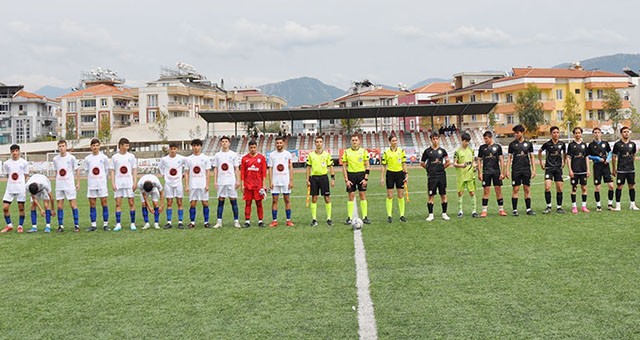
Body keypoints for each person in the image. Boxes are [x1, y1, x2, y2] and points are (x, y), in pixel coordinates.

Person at [211, 136, 241, 228]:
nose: (224, 143)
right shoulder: (217, 155)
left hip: (231, 181)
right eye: (223, 141)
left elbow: (236, 168)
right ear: (220, 143)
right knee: (221, 201)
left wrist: (238, 180)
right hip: (221, 181)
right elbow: (215, 169)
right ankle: (219, 222)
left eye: (226, 141)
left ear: (229, 143)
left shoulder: (233, 154)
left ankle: (236, 221)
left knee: (233, 201)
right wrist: (215, 181)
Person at [506, 124, 536, 216]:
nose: (516, 134)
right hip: (516, 170)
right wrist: (507, 170)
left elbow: (532, 157)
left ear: (522, 133)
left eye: (517, 133)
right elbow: (509, 158)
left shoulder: (528, 144)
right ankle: (514, 210)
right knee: (516, 189)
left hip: (526, 169)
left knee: (527, 189)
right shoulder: (512, 145)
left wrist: (534, 169)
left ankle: (528, 209)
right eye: (515, 133)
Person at [421, 132, 451, 221]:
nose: (435, 140)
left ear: (439, 139)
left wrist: (442, 168)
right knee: (431, 195)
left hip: (441, 176)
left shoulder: (443, 151)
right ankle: (431, 214)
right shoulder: (427, 151)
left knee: (443, 194)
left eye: (437, 138)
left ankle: (444, 213)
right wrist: (429, 169)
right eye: (433, 139)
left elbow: (448, 162)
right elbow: (422, 163)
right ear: (431, 140)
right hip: (432, 176)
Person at [306, 135, 335, 226]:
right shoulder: (311, 155)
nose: (319, 143)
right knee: (314, 198)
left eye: (320, 142)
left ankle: (329, 218)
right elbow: (308, 168)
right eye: (317, 142)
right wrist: (307, 179)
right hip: (314, 178)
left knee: (327, 198)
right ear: (315, 143)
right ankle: (314, 219)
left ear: (322, 143)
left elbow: (331, 167)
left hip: (324, 177)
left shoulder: (327, 154)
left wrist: (333, 178)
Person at [477, 131, 507, 217]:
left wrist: (502, 172)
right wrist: (480, 172)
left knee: (498, 190)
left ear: (490, 137)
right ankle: (484, 211)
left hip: (496, 172)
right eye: (484, 139)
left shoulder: (498, 147)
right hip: (486, 172)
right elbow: (479, 160)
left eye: (486, 139)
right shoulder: (482, 148)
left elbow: (501, 160)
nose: (485, 140)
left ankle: (501, 210)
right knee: (486, 191)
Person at [342, 135, 371, 225]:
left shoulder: (363, 151)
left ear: (359, 142)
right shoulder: (346, 152)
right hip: (351, 175)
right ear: (351, 142)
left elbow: (367, 165)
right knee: (351, 196)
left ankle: (365, 217)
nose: (354, 142)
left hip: (361, 175)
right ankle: (349, 218)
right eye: (353, 140)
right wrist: (346, 180)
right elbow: (343, 167)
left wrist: (366, 178)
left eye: (356, 140)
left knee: (362, 195)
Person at [184, 138, 213, 228]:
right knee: (193, 203)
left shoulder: (205, 158)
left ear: (200, 146)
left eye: (197, 145)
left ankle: (206, 222)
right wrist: (187, 185)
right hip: (193, 184)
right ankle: (192, 222)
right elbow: (186, 173)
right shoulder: (188, 159)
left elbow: (208, 172)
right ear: (192, 147)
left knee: (205, 203)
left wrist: (207, 184)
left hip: (202, 184)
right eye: (194, 146)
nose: (196, 147)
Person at [52, 139, 80, 232]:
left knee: (73, 205)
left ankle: (76, 225)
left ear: (66, 147)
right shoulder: (55, 159)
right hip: (59, 185)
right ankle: (61, 226)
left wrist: (78, 182)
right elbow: (56, 171)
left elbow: (77, 170)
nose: (61, 148)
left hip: (69, 184)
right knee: (59, 206)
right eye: (60, 146)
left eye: (63, 146)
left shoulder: (71, 158)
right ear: (58, 148)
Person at [110, 137, 138, 231]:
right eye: (126, 145)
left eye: (128, 145)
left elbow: (134, 170)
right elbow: (113, 171)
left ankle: (133, 223)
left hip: (128, 183)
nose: (127, 147)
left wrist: (135, 182)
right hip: (119, 183)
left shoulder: (131, 156)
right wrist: (113, 183)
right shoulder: (115, 157)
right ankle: (118, 224)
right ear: (121, 146)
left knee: (131, 202)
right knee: (118, 203)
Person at [538, 126, 566, 214]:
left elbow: (565, 153)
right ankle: (548, 206)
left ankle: (559, 207)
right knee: (547, 187)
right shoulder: (547, 144)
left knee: (560, 188)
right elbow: (539, 151)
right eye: (554, 132)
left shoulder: (562, 144)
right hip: (549, 168)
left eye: (557, 132)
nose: (556, 134)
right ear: (551, 134)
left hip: (558, 168)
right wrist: (541, 162)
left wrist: (564, 162)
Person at [1, 144, 29, 233]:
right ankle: (9, 225)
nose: (15, 153)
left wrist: (20, 183)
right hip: (10, 188)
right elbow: (7, 174)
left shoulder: (24, 163)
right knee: (5, 207)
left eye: (16, 151)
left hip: (20, 188)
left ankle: (20, 226)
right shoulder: (6, 163)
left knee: (21, 208)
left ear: (19, 151)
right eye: (13, 151)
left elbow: (26, 175)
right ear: (11, 152)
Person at [84, 138, 110, 231]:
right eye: (93, 145)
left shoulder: (104, 157)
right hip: (92, 184)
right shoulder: (87, 159)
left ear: (99, 146)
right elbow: (87, 171)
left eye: (96, 145)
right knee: (92, 204)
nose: (95, 147)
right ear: (91, 147)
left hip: (101, 184)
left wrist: (103, 179)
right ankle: (93, 225)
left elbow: (107, 170)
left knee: (104, 203)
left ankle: (105, 224)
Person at [158, 142, 186, 229]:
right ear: (169, 149)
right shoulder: (164, 159)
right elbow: (160, 167)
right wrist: (163, 174)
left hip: (178, 183)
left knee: (179, 202)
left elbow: (187, 165)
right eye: (171, 149)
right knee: (169, 202)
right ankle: (169, 222)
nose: (173, 150)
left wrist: (184, 173)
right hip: (168, 183)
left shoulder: (181, 158)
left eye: (174, 149)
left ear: (177, 149)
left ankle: (180, 222)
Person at [380, 135, 408, 223]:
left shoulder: (401, 151)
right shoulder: (386, 152)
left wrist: (406, 174)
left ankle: (402, 215)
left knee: (400, 195)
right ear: (389, 142)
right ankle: (389, 215)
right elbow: (384, 166)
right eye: (393, 141)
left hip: (400, 174)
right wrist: (382, 178)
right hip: (390, 174)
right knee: (390, 195)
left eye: (396, 140)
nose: (395, 142)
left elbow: (404, 164)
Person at [267, 136, 294, 227]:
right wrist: (270, 181)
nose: (279, 144)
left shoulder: (288, 154)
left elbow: (290, 168)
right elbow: (270, 169)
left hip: (285, 181)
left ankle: (288, 220)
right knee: (274, 200)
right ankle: (274, 220)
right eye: (277, 143)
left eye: (280, 143)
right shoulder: (272, 155)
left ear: (283, 143)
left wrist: (291, 180)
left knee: (287, 199)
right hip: (275, 182)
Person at [611, 126, 639, 211]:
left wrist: (630, 163)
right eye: (624, 132)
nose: (626, 133)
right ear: (621, 133)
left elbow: (633, 155)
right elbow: (614, 156)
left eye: (627, 131)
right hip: (621, 169)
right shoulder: (617, 144)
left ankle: (632, 204)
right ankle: (618, 205)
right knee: (619, 187)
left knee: (632, 186)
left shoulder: (632, 144)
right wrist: (614, 168)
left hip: (631, 169)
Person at [240, 140, 267, 228]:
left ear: (256, 147)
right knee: (248, 203)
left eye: (254, 147)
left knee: (259, 203)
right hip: (248, 185)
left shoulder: (261, 158)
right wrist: (242, 184)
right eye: (251, 147)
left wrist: (264, 184)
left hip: (258, 185)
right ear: (249, 148)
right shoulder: (244, 158)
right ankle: (247, 221)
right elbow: (242, 172)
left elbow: (264, 172)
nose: (252, 149)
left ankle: (260, 220)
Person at [587, 127, 614, 211]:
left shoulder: (605, 143)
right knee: (598, 187)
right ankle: (598, 206)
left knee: (611, 186)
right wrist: (597, 158)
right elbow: (588, 156)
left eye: (598, 132)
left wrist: (608, 159)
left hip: (606, 166)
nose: (597, 134)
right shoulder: (591, 145)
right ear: (593, 134)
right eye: (595, 132)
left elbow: (610, 152)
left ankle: (610, 204)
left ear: (601, 133)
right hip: (597, 167)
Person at [453, 132, 478, 218]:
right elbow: (454, 163)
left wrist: (475, 166)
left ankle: (474, 211)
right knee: (460, 193)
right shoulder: (457, 151)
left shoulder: (471, 150)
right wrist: (461, 165)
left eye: (468, 141)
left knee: (472, 192)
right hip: (461, 176)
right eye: (466, 141)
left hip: (470, 175)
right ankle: (460, 211)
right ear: (462, 141)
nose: (467, 143)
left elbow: (473, 161)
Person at [567, 127, 590, 213]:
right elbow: (568, 158)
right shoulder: (571, 145)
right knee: (574, 188)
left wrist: (588, 169)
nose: (578, 134)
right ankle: (574, 207)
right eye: (576, 133)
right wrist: (570, 170)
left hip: (583, 170)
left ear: (581, 134)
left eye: (579, 133)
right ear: (574, 134)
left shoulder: (584, 145)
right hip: (575, 171)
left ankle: (584, 206)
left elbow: (586, 157)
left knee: (584, 188)